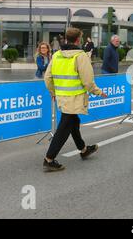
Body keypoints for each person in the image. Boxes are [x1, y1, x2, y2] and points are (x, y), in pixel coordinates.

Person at [43, 28, 107, 172]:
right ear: (78, 40)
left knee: (73, 122)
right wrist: (98, 92)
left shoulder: (57, 55)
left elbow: (47, 78)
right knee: (64, 128)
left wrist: (53, 92)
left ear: (66, 39)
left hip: (62, 97)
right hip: (75, 98)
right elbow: (88, 81)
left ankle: (83, 150)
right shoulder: (81, 56)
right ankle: (49, 158)